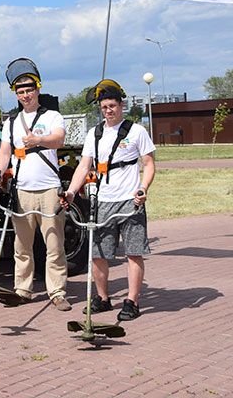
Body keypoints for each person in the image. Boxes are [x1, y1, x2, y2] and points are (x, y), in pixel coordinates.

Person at [63, 79, 155, 321]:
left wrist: (143, 188)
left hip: (130, 201)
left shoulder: (136, 131)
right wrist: (72, 191)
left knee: (133, 252)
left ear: (121, 105)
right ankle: (102, 298)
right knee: (98, 253)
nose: (108, 111)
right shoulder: (94, 133)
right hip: (103, 201)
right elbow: (84, 166)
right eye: (104, 107)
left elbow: (149, 164)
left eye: (112, 106)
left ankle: (131, 301)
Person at [0, 61, 70, 311]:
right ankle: (23, 289)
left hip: (48, 188)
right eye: (20, 91)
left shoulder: (52, 116)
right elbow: (5, 152)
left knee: (54, 244)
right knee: (22, 245)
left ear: (37, 89)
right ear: (16, 93)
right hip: (22, 189)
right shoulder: (11, 122)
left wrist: (39, 140)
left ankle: (56, 291)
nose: (25, 95)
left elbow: (59, 139)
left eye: (29, 89)